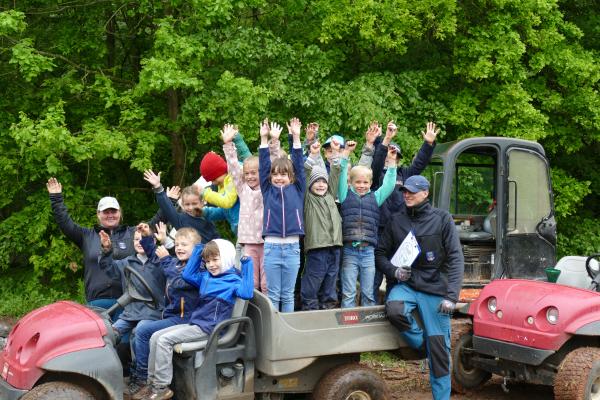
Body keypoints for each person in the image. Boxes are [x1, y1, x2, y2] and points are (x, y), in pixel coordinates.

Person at [375, 175, 464, 400]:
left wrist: (452, 297)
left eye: (412, 191)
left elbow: (456, 258)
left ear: (425, 193)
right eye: (404, 191)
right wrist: (394, 272)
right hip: (408, 284)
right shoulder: (396, 220)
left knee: (440, 355)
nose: (407, 194)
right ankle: (422, 344)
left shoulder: (443, 219)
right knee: (394, 308)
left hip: (435, 289)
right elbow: (380, 253)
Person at [144, 239, 254, 400]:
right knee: (155, 337)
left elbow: (247, 293)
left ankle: (161, 386)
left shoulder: (233, 281)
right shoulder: (206, 277)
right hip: (196, 324)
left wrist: (247, 264)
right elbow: (188, 274)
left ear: (228, 258)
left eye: (215, 260)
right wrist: (198, 250)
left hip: (210, 329)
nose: (211, 265)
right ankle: (152, 384)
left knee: (164, 340)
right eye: (207, 261)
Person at [46, 177, 164, 308]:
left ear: (120, 212)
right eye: (106, 212)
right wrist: (56, 198)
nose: (110, 215)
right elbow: (64, 223)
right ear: (98, 214)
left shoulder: (134, 233)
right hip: (97, 302)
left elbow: (157, 221)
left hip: (129, 302)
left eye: (113, 211)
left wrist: (167, 198)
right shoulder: (86, 235)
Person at [127, 226, 202, 399]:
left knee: (144, 331)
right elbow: (156, 257)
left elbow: (179, 282)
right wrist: (146, 237)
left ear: (196, 248)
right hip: (173, 315)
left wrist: (167, 259)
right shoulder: (177, 263)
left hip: (186, 319)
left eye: (184, 244)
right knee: (141, 327)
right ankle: (145, 379)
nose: (179, 248)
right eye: (177, 244)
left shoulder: (199, 268)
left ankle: (143, 380)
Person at [371, 121, 438, 302]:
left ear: (399, 158)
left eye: (394, 155)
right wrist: (385, 140)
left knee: (398, 271)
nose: (390, 157)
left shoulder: (405, 174)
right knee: (376, 274)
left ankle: (394, 306)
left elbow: (420, 163)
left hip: (400, 230)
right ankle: (372, 308)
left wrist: (428, 144)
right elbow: (376, 162)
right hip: (379, 229)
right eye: (387, 154)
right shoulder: (375, 175)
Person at [222, 120, 281, 293]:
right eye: (246, 173)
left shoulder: (267, 188)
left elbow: (274, 164)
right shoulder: (242, 189)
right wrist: (228, 144)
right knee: (251, 282)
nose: (249, 176)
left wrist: (274, 141)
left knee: (266, 283)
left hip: (267, 241)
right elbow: (233, 167)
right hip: (248, 242)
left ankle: (269, 316)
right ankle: (251, 315)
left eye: (254, 173)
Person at [338, 141, 398, 308]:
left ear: (370, 183)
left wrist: (392, 163)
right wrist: (345, 155)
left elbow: (389, 185)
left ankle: (367, 325)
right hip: (350, 250)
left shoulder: (376, 198)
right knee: (348, 292)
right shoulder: (344, 195)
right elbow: (342, 175)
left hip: (368, 252)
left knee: (368, 292)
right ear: (351, 182)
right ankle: (347, 326)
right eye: (358, 182)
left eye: (365, 183)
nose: (362, 185)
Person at [260, 118, 305, 312]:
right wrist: (263, 139)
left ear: (291, 177)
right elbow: (263, 166)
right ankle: (273, 334)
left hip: (293, 248)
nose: (279, 177)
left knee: (287, 295)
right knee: (273, 294)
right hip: (271, 247)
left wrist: (296, 137)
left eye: (283, 174)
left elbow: (299, 165)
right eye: (275, 174)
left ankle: (286, 336)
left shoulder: (298, 189)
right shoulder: (267, 190)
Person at [98, 223, 165, 341]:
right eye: (136, 239)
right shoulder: (126, 262)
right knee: (108, 334)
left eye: (143, 239)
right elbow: (108, 268)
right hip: (130, 314)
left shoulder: (160, 262)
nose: (139, 242)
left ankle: (140, 360)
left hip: (153, 313)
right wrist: (107, 250)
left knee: (139, 331)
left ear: (152, 241)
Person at [300, 140, 343, 310]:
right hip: (318, 247)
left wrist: (335, 154)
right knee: (313, 279)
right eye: (316, 181)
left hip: (335, 246)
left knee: (331, 280)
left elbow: (335, 173)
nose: (321, 184)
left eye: (323, 182)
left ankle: (328, 307)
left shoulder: (330, 195)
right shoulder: (308, 199)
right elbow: (304, 173)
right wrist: (313, 155)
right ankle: (309, 308)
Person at [143, 171, 220, 243]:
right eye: (187, 204)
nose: (191, 207)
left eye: (194, 204)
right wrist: (158, 187)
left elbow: (217, 241)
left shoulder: (208, 217)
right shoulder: (180, 220)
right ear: (182, 205)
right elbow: (166, 207)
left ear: (202, 203)